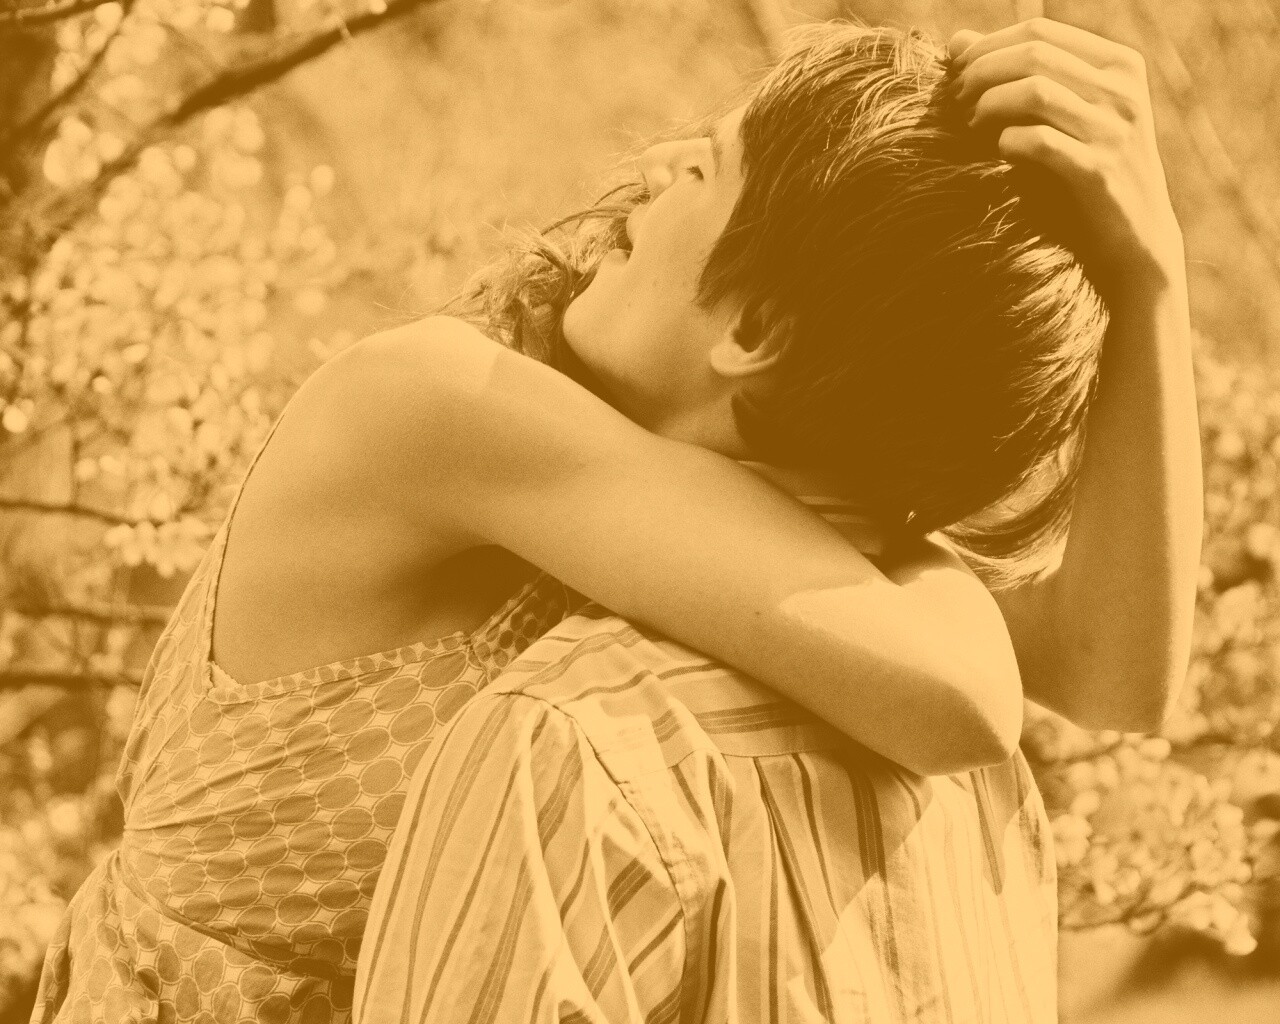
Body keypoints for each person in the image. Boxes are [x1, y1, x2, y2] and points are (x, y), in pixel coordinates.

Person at [31, 12, 1201, 1024]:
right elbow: (973, 693)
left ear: (756, 331)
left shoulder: (685, 506)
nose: (654, 160)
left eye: (710, 165)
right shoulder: (436, 405)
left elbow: (1103, 672)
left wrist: (1150, 280)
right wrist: (921, 546)